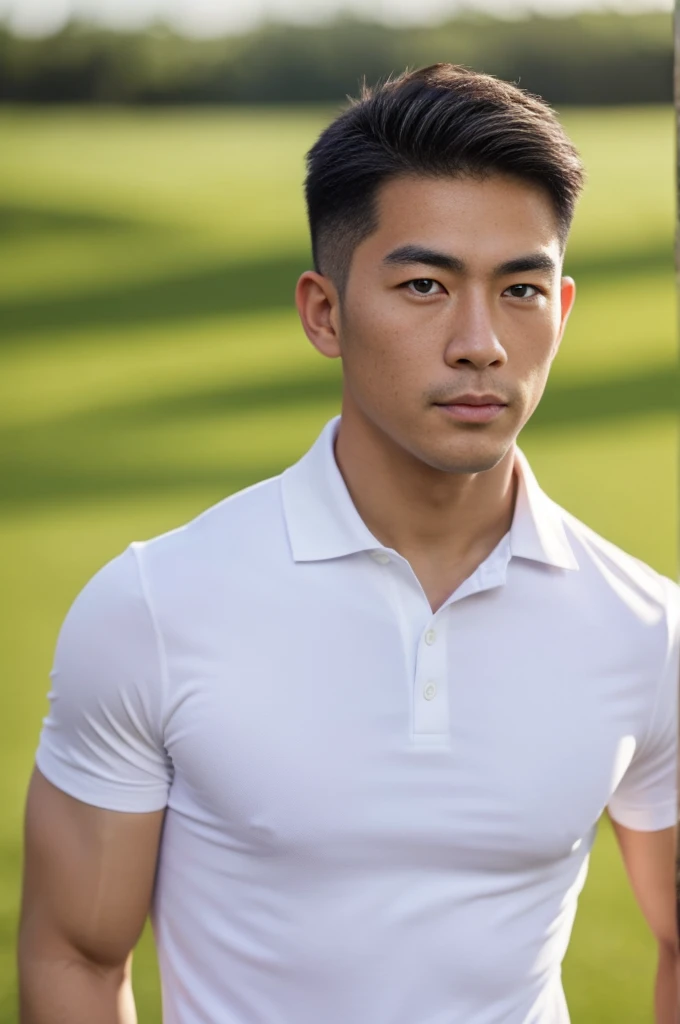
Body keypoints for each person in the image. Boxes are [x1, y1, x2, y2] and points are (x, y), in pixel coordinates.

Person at [18, 64, 679, 1024]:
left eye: (521, 289)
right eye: (424, 284)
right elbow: (74, 957)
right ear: (324, 312)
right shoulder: (154, 609)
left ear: (561, 312)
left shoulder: (648, 630)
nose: (481, 343)